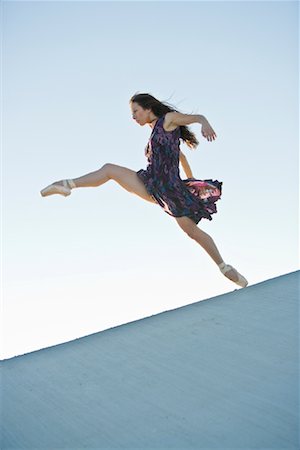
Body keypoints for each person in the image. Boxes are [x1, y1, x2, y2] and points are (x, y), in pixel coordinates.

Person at [40, 93, 248, 288]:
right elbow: (181, 157)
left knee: (192, 232)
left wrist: (204, 125)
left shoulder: (168, 119)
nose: (133, 117)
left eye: (136, 112)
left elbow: (197, 117)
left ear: (148, 109)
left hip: (169, 189)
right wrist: (190, 177)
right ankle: (66, 185)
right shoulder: (154, 131)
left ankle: (224, 268)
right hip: (151, 184)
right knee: (109, 170)